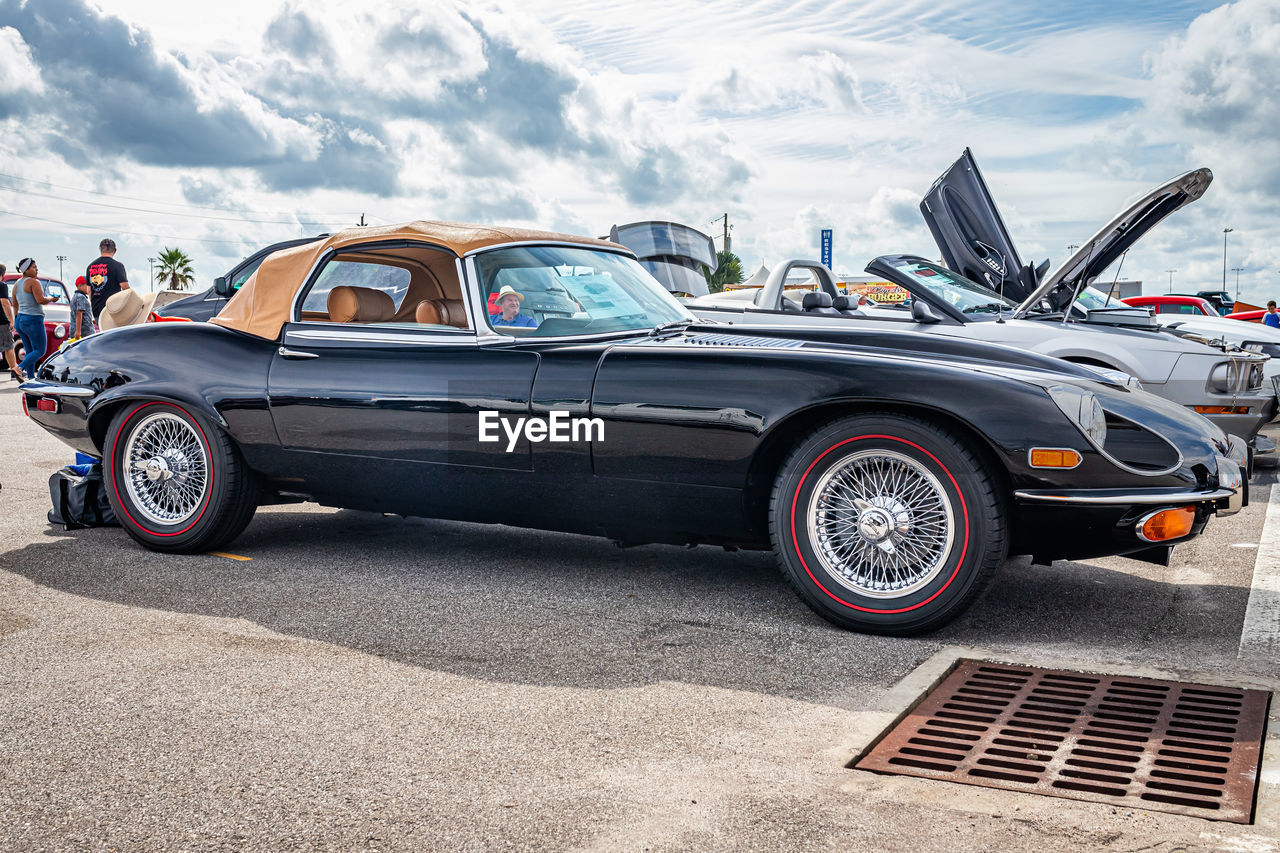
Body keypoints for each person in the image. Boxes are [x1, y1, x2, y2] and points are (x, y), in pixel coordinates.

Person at [14, 258, 53, 379]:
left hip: (20, 319)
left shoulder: (17, 284)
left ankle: (31, 378)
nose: (37, 269)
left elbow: (15, 304)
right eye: (34, 267)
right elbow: (41, 300)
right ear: (26, 270)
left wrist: (16, 320)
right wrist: (52, 299)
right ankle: (19, 368)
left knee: (30, 351)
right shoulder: (33, 282)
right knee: (40, 350)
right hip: (33, 319)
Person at [86, 237, 129, 321]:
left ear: (100, 249)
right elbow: (125, 288)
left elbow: (89, 290)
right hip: (113, 310)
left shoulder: (90, 266)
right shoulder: (118, 266)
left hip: (97, 311)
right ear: (115, 250)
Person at [0, 262, 21, 381]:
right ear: (3, 274)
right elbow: (5, 303)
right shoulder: (2, 286)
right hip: (1, 321)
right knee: (8, 347)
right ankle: (15, 372)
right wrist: (11, 321)